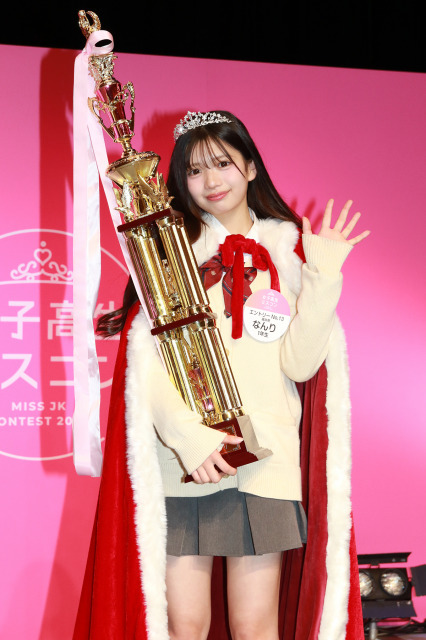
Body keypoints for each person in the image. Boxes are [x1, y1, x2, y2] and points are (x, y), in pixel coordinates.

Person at [74, 111, 369, 640]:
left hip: (266, 465)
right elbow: (147, 365)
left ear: (251, 167)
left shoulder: (288, 254)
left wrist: (323, 276)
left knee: (254, 627)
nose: (210, 180)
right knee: (184, 626)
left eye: (223, 163)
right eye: (194, 170)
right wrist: (191, 440)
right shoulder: (168, 253)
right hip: (188, 464)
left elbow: (300, 365)